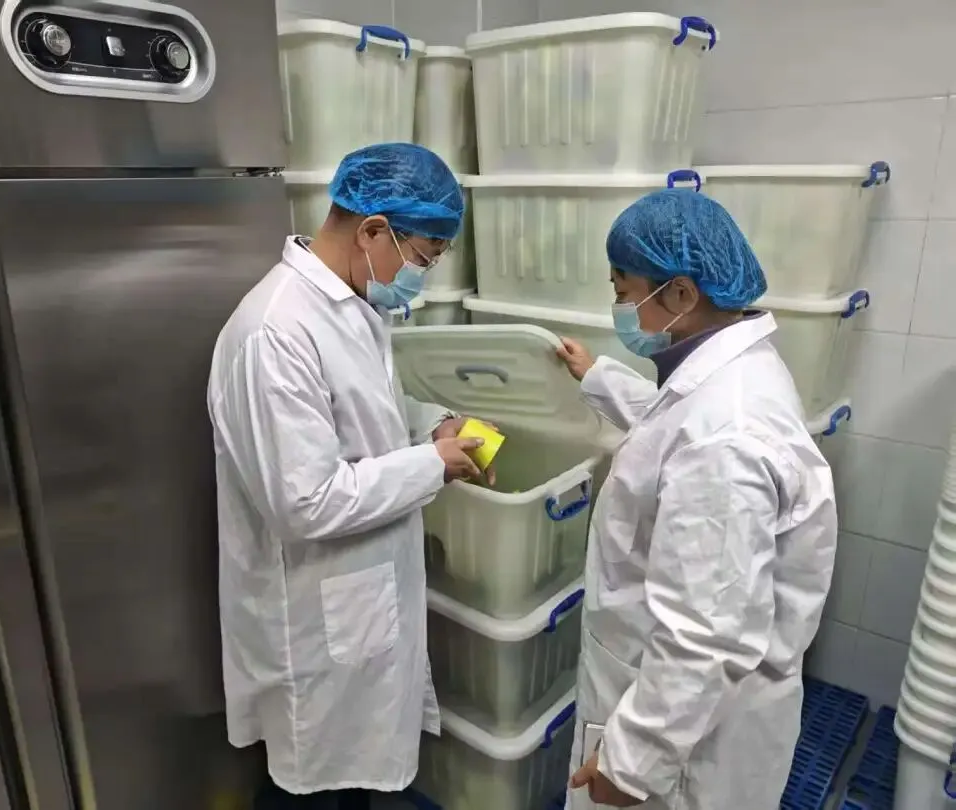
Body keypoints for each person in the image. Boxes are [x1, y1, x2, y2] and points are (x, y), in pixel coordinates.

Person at [208, 143, 494, 810]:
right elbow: (305, 502)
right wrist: (432, 466)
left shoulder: (350, 303)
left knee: (356, 777)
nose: (421, 277)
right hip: (312, 622)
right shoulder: (275, 333)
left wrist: (433, 424)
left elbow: (362, 412)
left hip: (362, 604)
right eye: (422, 258)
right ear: (373, 230)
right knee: (311, 785)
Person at [556, 189, 837, 810]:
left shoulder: (725, 439)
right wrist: (598, 376)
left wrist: (633, 762)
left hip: (685, 749)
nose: (620, 309)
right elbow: (673, 430)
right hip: (678, 705)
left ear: (681, 294)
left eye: (625, 292)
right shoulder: (736, 373)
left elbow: (707, 628)